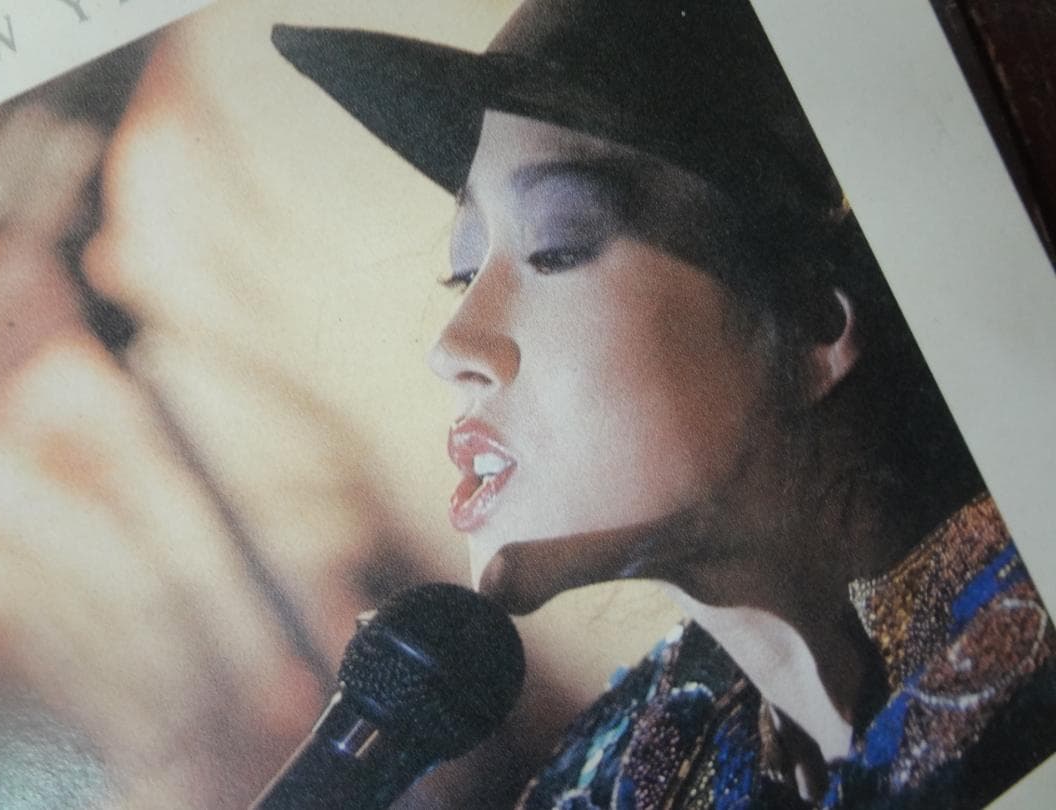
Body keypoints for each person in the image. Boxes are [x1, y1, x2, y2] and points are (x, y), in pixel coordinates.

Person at [272, 1, 1056, 807]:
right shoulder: (608, 781)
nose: (451, 348)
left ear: (814, 324)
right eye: (464, 273)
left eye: (554, 249)